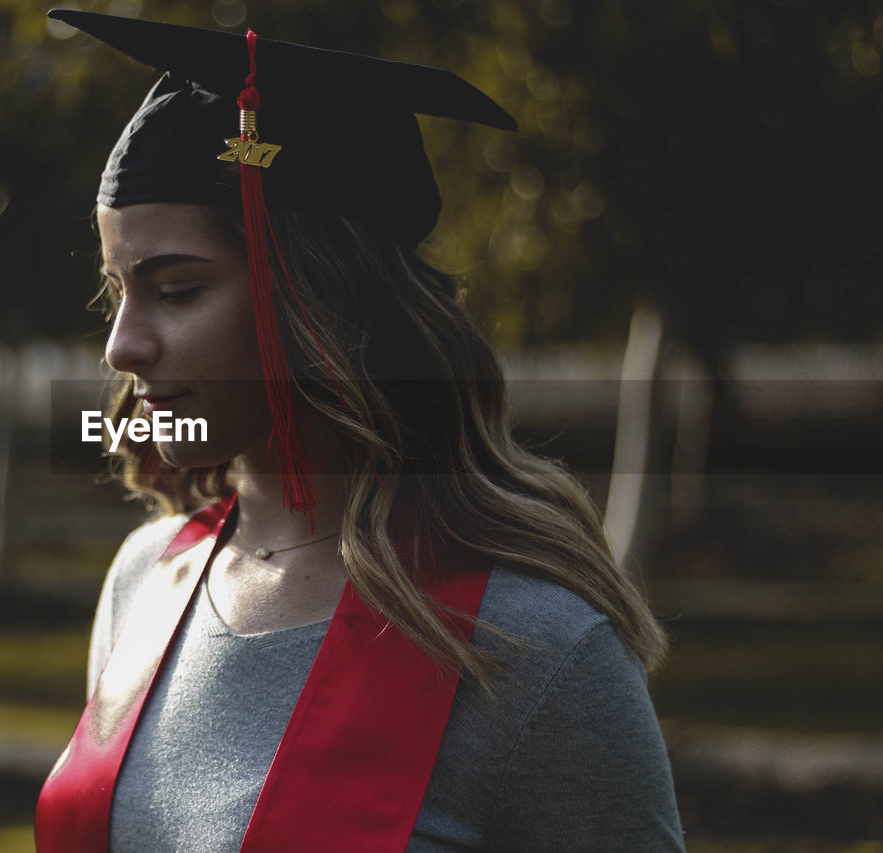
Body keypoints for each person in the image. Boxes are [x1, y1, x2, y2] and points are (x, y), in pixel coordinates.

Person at [36, 10, 685, 851]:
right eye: (117, 287)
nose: (124, 342)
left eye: (177, 289)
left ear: (320, 298)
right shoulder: (143, 583)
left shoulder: (531, 647)